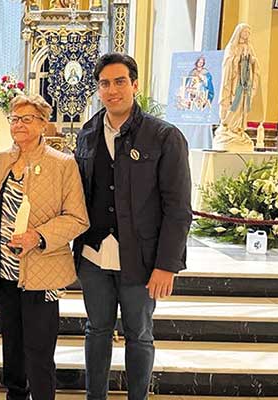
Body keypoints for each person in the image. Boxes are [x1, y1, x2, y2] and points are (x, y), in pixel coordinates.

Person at [73, 53, 192, 400]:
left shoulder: (164, 136)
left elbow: (178, 209)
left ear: (135, 85)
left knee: (139, 334)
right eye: (105, 84)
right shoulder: (87, 133)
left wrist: (167, 265)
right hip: (94, 255)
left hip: (141, 258)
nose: (112, 90)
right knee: (96, 330)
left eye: (120, 81)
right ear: (98, 89)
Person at [0, 94, 89, 400]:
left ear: (44, 124)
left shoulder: (63, 164)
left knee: (39, 350)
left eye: (27, 119)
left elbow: (78, 218)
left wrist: (39, 236)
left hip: (43, 272)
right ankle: (16, 395)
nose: (19, 124)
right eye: (15, 119)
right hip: (4, 271)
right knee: (12, 345)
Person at [213, 23, 259, 151]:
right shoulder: (232, 47)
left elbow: (255, 64)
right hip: (235, 81)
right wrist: (237, 59)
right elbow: (228, 63)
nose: (246, 35)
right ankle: (228, 127)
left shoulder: (249, 47)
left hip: (246, 81)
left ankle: (238, 129)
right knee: (234, 103)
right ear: (239, 32)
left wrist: (252, 60)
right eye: (245, 32)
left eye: (248, 33)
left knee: (242, 105)